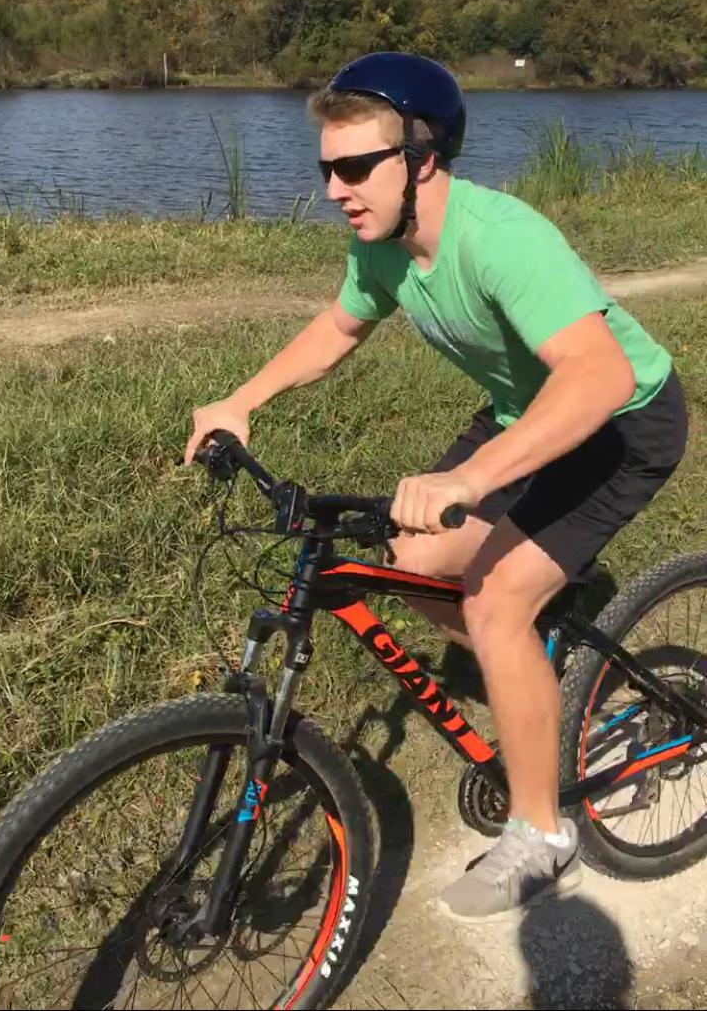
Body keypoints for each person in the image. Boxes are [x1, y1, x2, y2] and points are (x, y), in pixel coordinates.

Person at [184, 52, 688, 922]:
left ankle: (543, 834)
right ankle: (538, 659)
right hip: (525, 415)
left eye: (355, 168)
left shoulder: (499, 238)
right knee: (414, 558)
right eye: (325, 170)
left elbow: (599, 376)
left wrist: (469, 476)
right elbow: (337, 329)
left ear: (422, 159)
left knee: (493, 604)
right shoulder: (381, 250)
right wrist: (243, 398)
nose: (336, 189)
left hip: (619, 424)